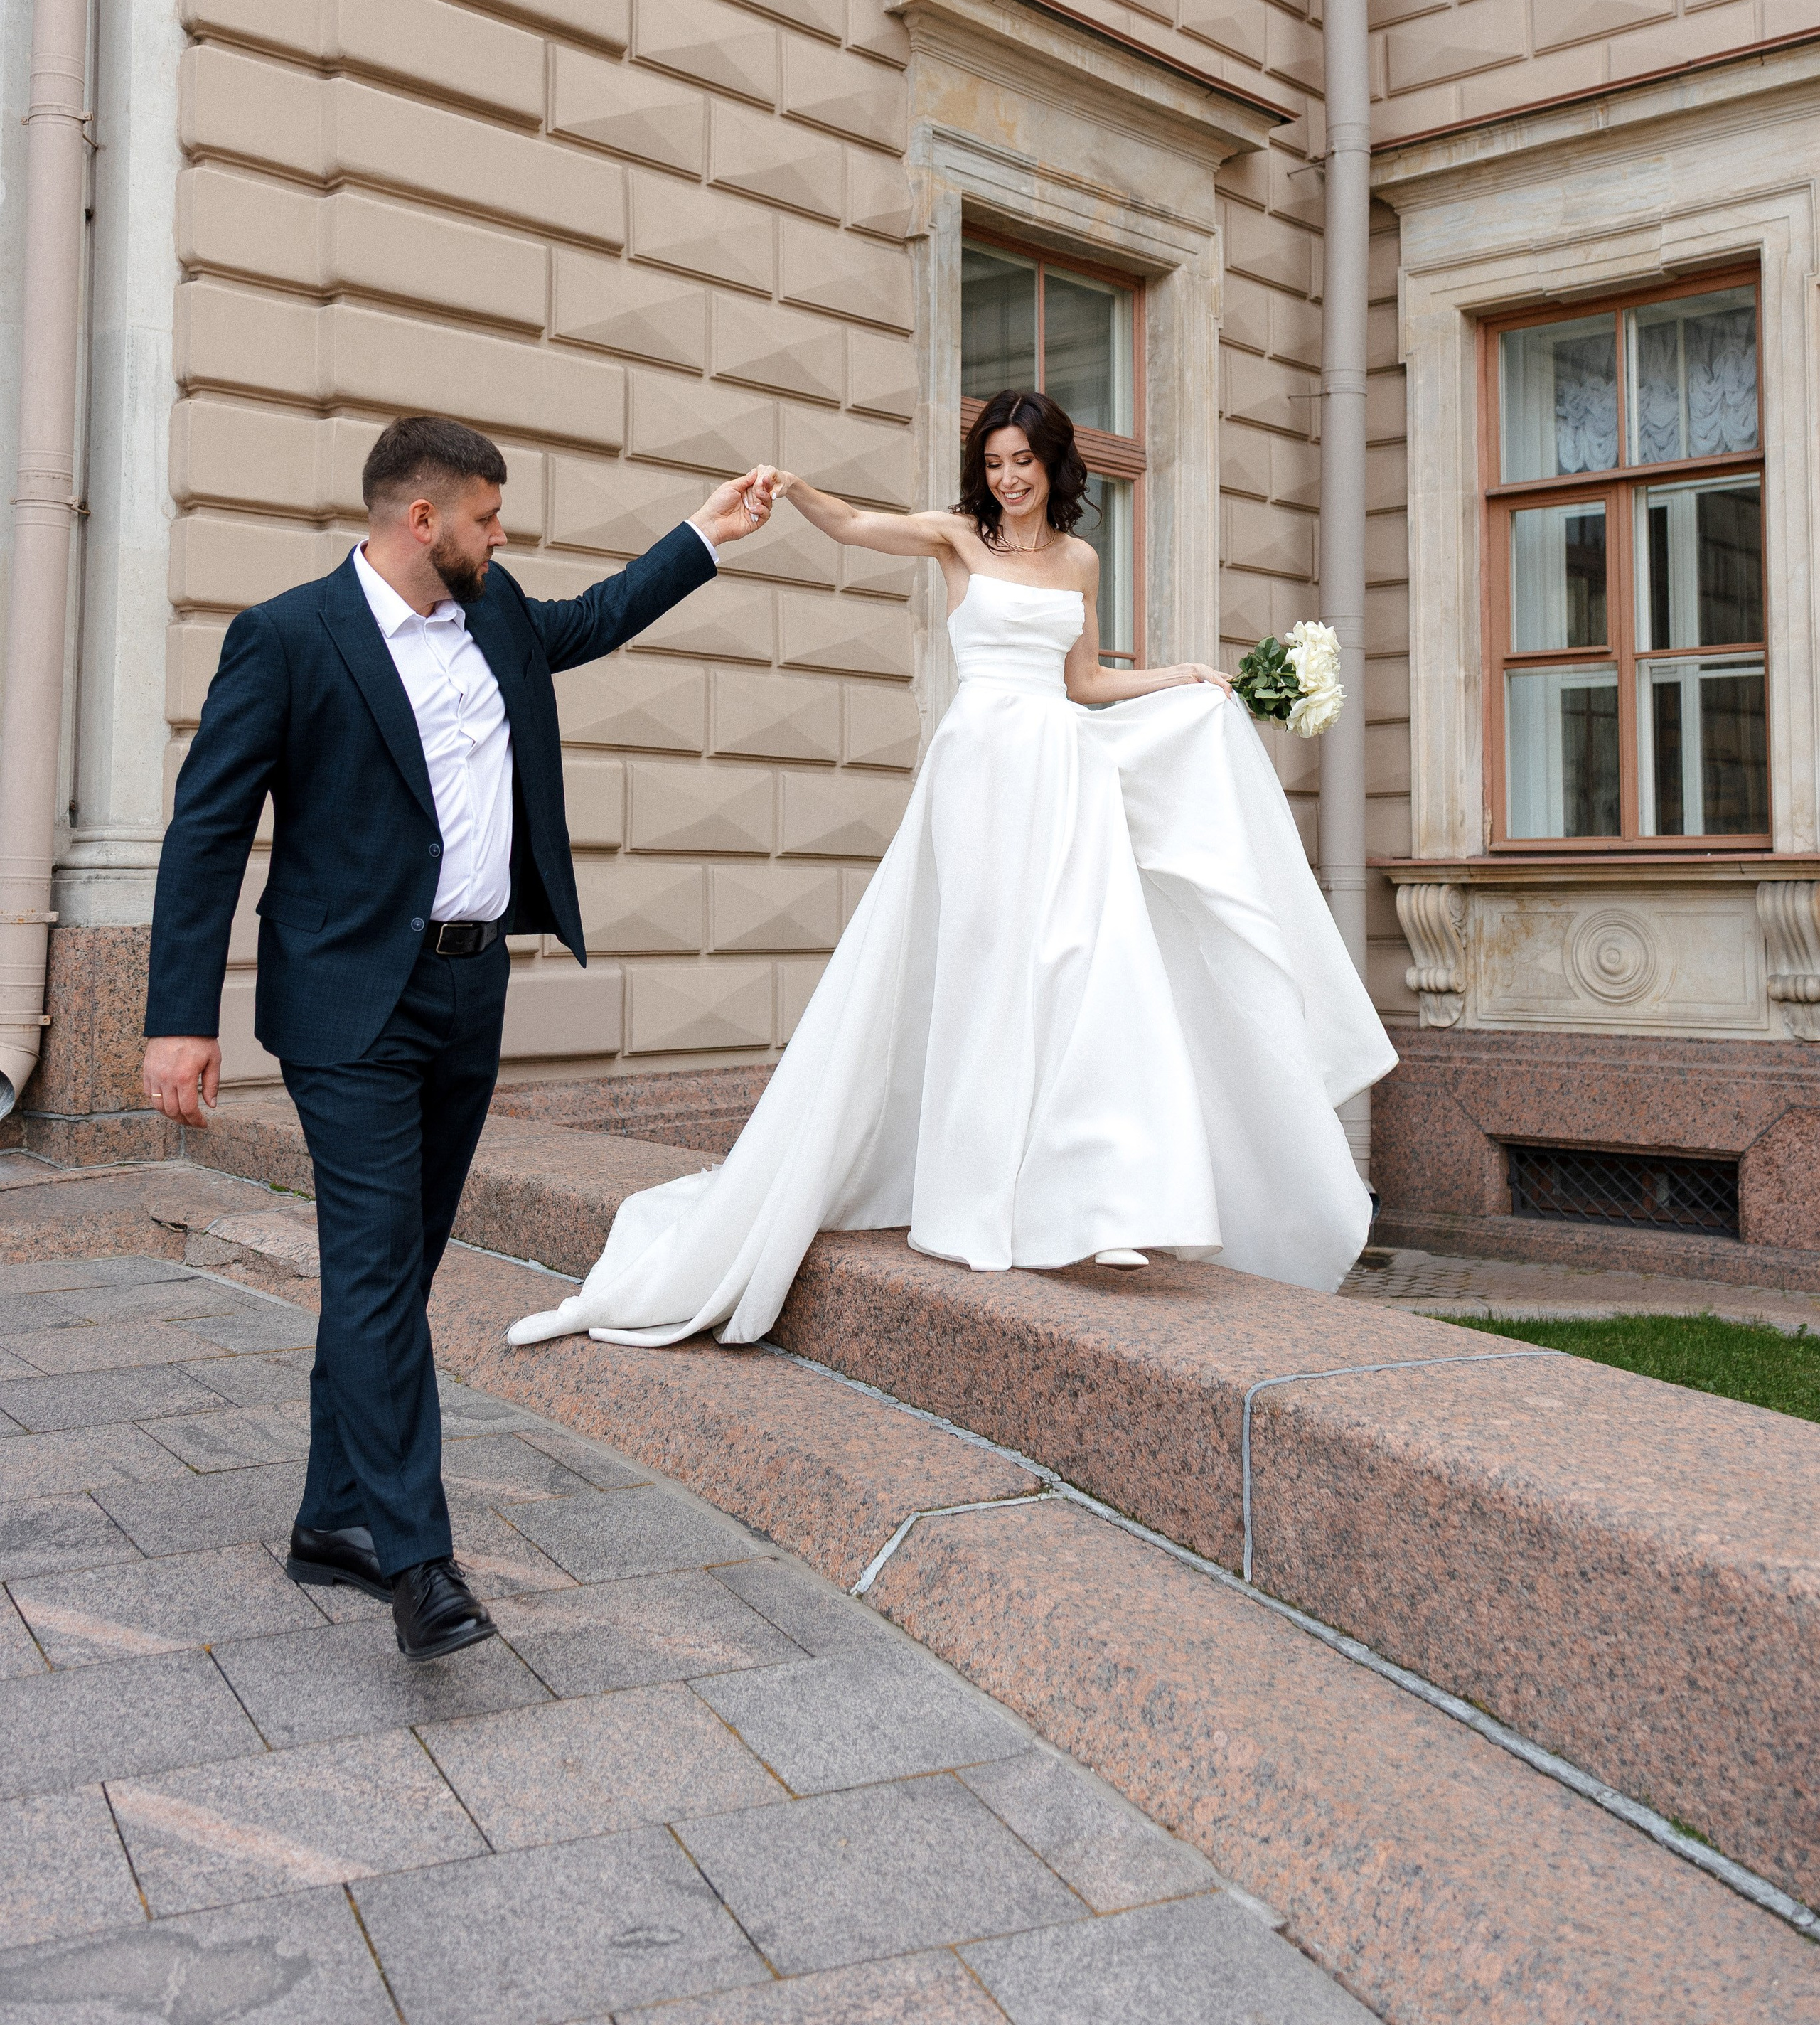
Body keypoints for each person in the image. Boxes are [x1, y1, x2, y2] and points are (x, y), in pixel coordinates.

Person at [508, 389, 1394, 1358]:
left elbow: (1085, 685)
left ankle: (1097, 1205)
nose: (1010, 479)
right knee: (984, 976)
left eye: (1026, 462)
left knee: (1080, 969)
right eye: (998, 461)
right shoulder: (956, 541)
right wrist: (797, 490)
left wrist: (1179, 677)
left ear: (1057, 469)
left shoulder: (1082, 561)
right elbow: (856, 525)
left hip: (1061, 778)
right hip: (979, 776)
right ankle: (973, 1206)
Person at [141, 415, 772, 1662]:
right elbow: (205, 830)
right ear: (420, 520)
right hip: (347, 1007)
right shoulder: (287, 637)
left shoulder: (494, 616)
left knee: (397, 1267)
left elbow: (593, 618)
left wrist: (708, 531)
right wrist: (177, 1018)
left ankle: (332, 1518)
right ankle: (420, 1565)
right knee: (378, 1268)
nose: (504, 534)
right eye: (488, 516)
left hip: (466, 995)